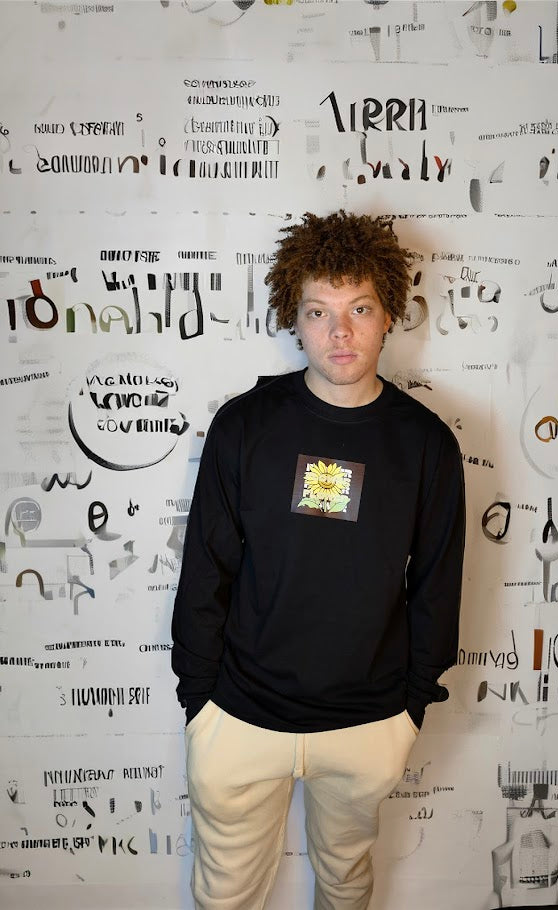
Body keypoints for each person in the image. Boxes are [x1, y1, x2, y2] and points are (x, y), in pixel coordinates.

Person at [171, 210, 466, 910]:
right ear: (293, 319)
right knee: (224, 896)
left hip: (368, 721)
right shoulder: (244, 424)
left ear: (388, 315)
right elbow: (207, 567)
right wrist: (200, 701)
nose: (339, 332)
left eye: (358, 308)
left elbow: (436, 583)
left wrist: (410, 706)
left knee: (346, 885)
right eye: (318, 312)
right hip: (239, 716)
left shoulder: (426, 443)